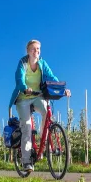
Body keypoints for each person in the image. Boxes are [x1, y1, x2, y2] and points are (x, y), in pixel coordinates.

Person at [8, 39, 71, 172]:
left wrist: (61, 89)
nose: (36, 51)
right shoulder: (22, 63)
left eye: (38, 49)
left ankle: (45, 142)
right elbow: (19, 79)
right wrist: (25, 88)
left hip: (38, 96)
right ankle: (26, 162)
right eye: (33, 49)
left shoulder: (42, 63)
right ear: (28, 51)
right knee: (27, 127)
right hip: (23, 98)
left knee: (47, 114)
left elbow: (51, 76)